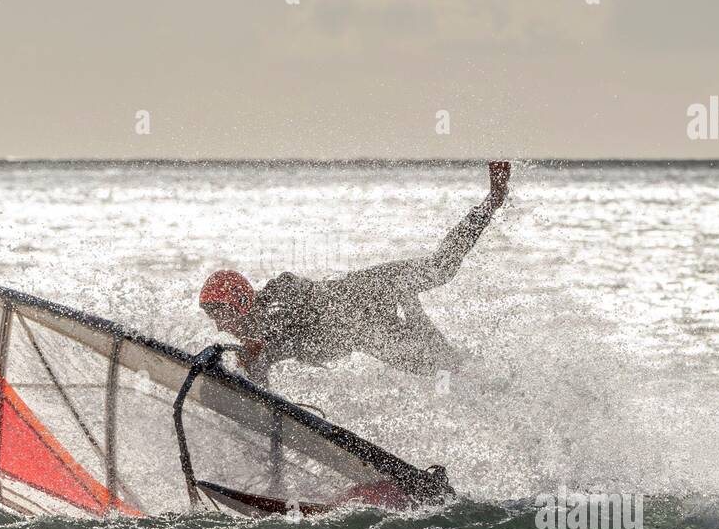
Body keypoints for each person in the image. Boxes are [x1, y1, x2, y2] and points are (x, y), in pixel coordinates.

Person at [199, 162, 510, 385]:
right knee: (446, 369)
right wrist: (253, 365)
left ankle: (492, 201)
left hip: (366, 293)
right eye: (213, 317)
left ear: (240, 303)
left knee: (439, 270)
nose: (218, 326)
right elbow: (261, 387)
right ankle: (497, 380)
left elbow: (295, 294)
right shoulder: (260, 337)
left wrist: (261, 345)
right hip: (367, 332)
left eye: (220, 314)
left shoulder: (276, 299)